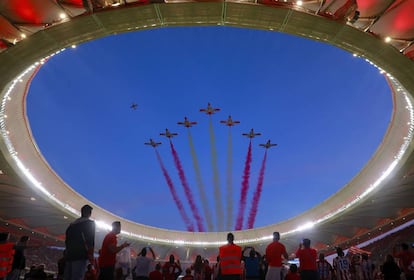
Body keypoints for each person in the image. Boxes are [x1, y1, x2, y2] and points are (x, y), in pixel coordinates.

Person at [64, 205, 96, 280]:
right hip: (80, 255)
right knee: (77, 277)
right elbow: (90, 240)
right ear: (89, 213)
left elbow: (67, 240)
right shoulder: (89, 223)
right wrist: (91, 255)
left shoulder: (72, 225)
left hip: (69, 255)